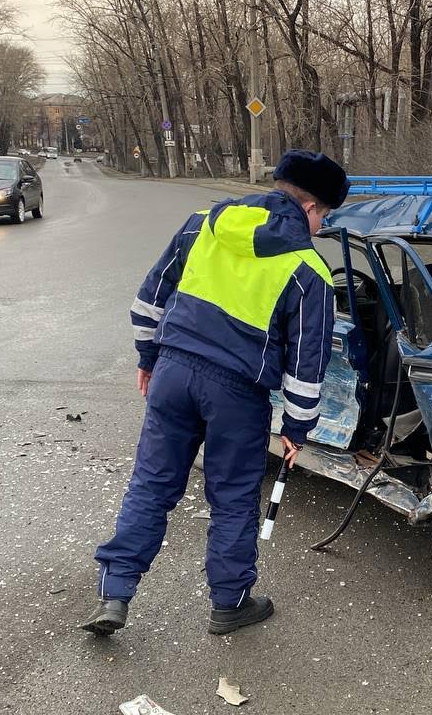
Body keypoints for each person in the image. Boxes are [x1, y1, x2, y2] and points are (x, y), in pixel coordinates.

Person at [81, 149, 349, 636]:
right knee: (232, 499)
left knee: (152, 485)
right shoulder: (311, 270)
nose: (321, 227)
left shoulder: (201, 223)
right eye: (324, 217)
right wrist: (296, 429)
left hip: (173, 372)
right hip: (238, 394)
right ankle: (230, 603)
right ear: (311, 208)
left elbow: (148, 301)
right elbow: (307, 366)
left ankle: (114, 594)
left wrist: (148, 360)